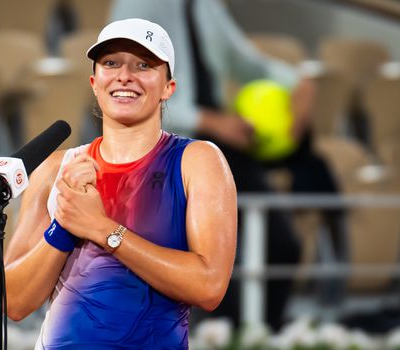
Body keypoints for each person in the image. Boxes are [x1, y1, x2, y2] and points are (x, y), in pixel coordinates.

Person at [111, 0, 345, 331]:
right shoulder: (138, 5)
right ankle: (222, 331)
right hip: (159, 149)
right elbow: (122, 87)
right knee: (192, 263)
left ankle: (260, 333)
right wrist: (208, 120)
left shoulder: (203, 4)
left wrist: (297, 81)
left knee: (281, 244)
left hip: (215, 144)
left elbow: (243, 60)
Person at [4, 18, 237, 349]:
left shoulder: (198, 161)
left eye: (143, 64)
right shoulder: (56, 169)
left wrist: (102, 229)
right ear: (94, 82)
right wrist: (64, 227)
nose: (124, 75)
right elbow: (14, 301)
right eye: (111, 63)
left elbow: (209, 287)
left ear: (169, 87)